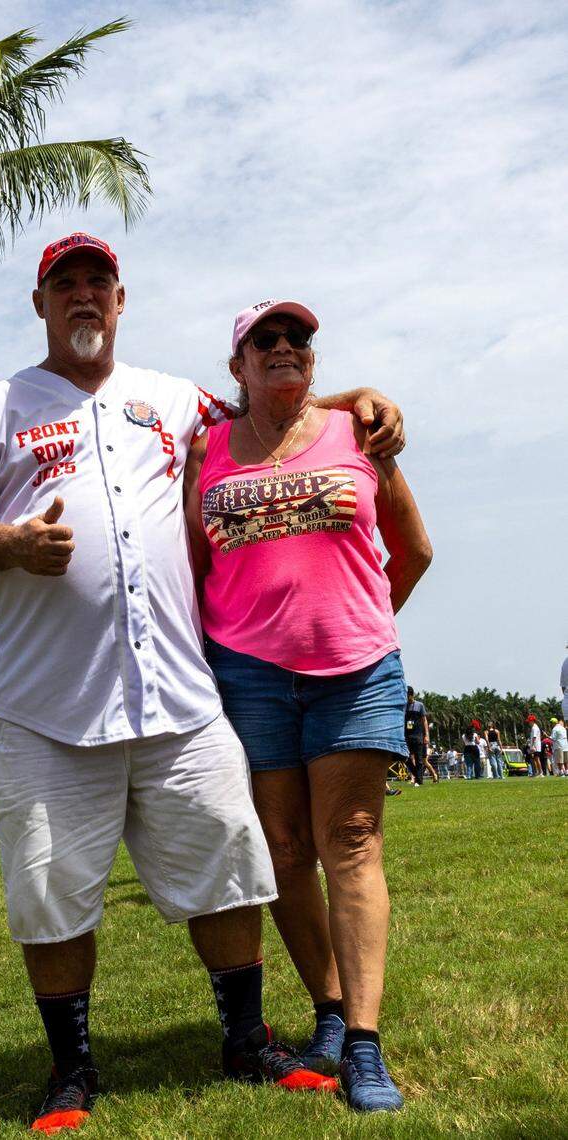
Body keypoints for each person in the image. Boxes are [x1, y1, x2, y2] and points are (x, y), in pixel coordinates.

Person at [0, 235, 405, 1130]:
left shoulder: (171, 399)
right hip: (47, 709)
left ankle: (245, 1036)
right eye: (63, 286)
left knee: (229, 864)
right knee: (50, 887)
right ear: (40, 307)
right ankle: (71, 1069)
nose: (82, 300)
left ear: (119, 301)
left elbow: (266, 400)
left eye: (96, 285)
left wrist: (355, 400)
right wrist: (15, 546)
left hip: (177, 699)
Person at [185, 298, 431, 1112]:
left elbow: (415, 549)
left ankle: (363, 1044)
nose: (287, 347)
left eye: (300, 340)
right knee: (286, 850)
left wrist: (358, 619)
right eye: (268, 339)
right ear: (239, 365)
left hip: (356, 671)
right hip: (249, 676)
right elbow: (195, 568)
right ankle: (326, 1010)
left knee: (351, 840)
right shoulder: (206, 450)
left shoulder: (356, 434)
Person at [403, 689, 434, 785]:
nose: (407, 698)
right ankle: (417, 775)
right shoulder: (404, 706)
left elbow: (424, 720)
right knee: (405, 757)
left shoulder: (420, 705)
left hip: (418, 735)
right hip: (407, 735)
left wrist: (426, 735)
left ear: (412, 695)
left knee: (419, 759)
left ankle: (419, 781)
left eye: (408, 696)